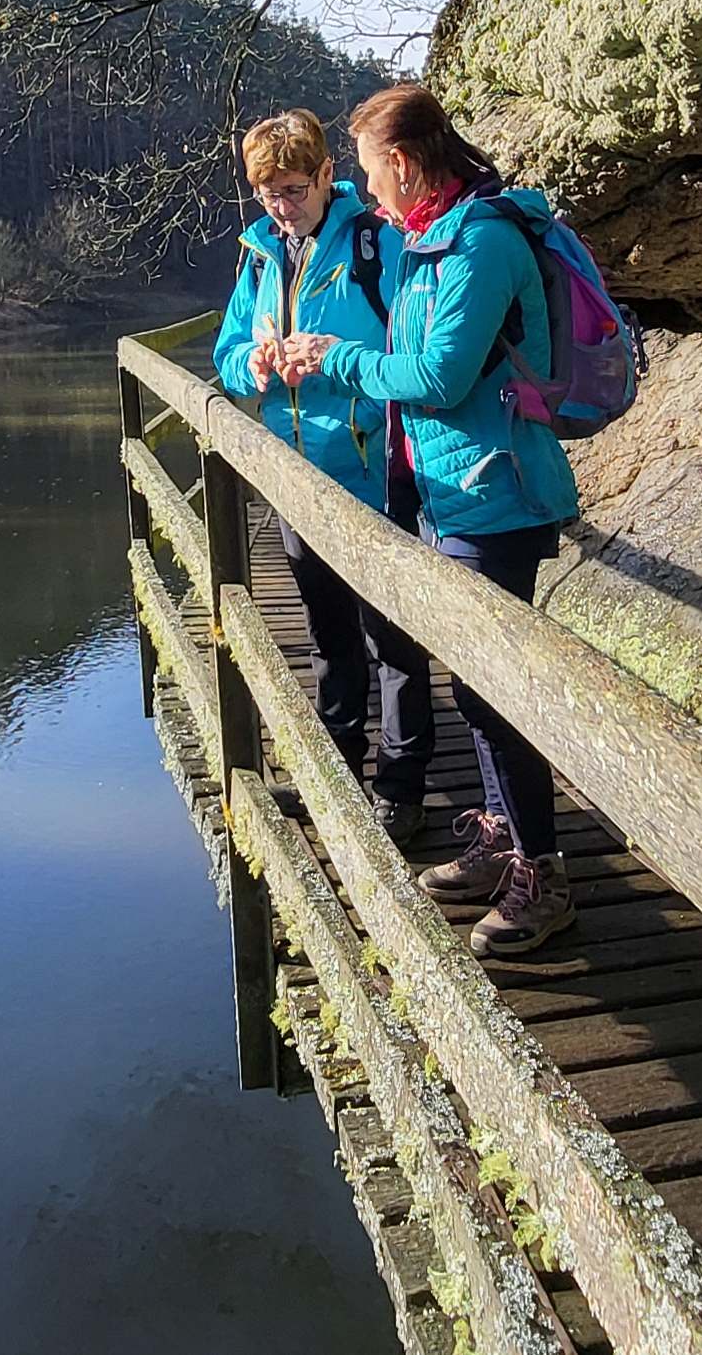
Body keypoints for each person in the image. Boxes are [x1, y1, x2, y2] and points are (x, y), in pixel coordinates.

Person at [277, 84, 582, 956]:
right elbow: (410, 360)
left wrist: (337, 359)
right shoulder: (429, 240)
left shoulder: (480, 241)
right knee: (470, 682)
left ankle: (543, 875)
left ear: (404, 164)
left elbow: (441, 378)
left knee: (493, 689)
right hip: (443, 491)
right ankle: (502, 835)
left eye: (372, 173)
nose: (367, 193)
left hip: (497, 494)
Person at [212, 109, 432, 844]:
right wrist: (254, 363)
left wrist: (334, 355)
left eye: (293, 189)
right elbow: (227, 349)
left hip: (375, 470)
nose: (282, 205)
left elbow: (417, 348)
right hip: (298, 475)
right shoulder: (258, 253)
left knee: (391, 639)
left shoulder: (376, 243)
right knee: (327, 634)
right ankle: (337, 767)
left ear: (325, 174)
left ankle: (401, 789)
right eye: (268, 192)